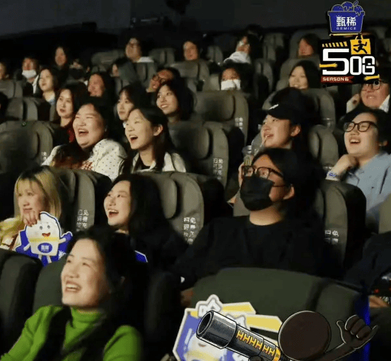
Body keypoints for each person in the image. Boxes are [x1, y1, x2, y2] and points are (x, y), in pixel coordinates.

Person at [0, 225, 143, 361]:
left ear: (115, 282)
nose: (71, 273)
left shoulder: (122, 339)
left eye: (85, 265)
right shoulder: (45, 316)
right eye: (69, 261)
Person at [173, 148, 334, 291]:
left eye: (264, 173)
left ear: (288, 191)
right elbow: (182, 276)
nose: (252, 178)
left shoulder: (305, 243)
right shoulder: (217, 229)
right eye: (250, 171)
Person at [326, 108, 391, 230]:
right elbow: (324, 209)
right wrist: (334, 173)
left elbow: (380, 216)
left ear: (382, 140)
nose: (353, 131)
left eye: (363, 127)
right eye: (350, 126)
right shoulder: (342, 167)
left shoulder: (388, 166)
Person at [104, 174, 187, 268]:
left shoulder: (165, 244)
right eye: (109, 195)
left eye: (120, 196)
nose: (110, 202)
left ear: (139, 202)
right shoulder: (102, 237)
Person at [0, 167, 64, 249]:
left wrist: (33, 229)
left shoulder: (59, 237)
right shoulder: (8, 226)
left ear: (48, 198)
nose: (24, 202)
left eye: (30, 194)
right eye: (20, 195)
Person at [43, 98, 127, 180]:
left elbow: (101, 186)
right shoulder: (59, 151)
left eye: (88, 117)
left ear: (105, 125)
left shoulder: (110, 149)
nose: (80, 123)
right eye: (77, 117)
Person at [122, 106, 187, 173]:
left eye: (136, 122)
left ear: (157, 129)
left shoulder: (172, 162)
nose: (129, 129)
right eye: (127, 124)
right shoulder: (128, 165)